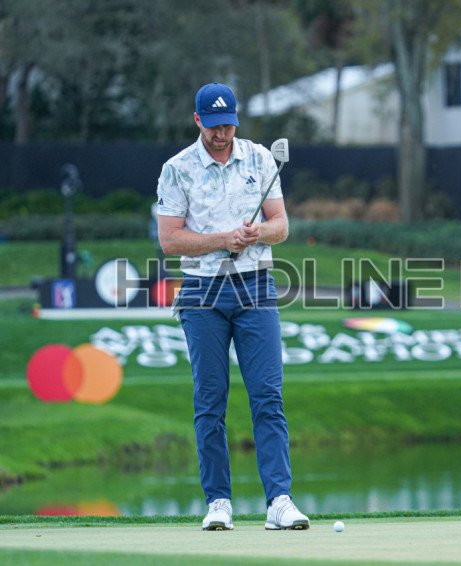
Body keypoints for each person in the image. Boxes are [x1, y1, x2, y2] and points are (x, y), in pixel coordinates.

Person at [156, 82, 309, 531]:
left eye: (228, 125)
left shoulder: (261, 158)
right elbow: (170, 240)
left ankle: (279, 501)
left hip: (255, 287)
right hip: (202, 292)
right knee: (210, 401)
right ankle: (218, 502)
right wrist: (224, 238)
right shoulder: (177, 169)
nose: (222, 134)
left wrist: (256, 233)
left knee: (268, 396)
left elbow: (281, 226)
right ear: (198, 120)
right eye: (214, 125)